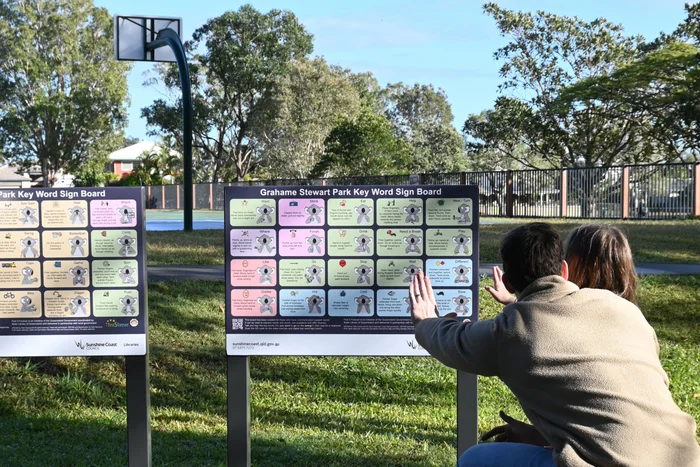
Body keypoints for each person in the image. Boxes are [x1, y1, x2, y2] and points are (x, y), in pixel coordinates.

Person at [409, 222, 700, 467]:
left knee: (477, 459)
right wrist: (541, 435)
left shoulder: (511, 332)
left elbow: (452, 342)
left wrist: (425, 321)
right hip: (684, 457)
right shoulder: (622, 309)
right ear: (563, 270)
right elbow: (612, 408)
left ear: (508, 282)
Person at [485, 223, 638, 306]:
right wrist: (511, 300)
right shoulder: (631, 315)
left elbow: (538, 318)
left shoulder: (572, 311)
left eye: (566, 255)